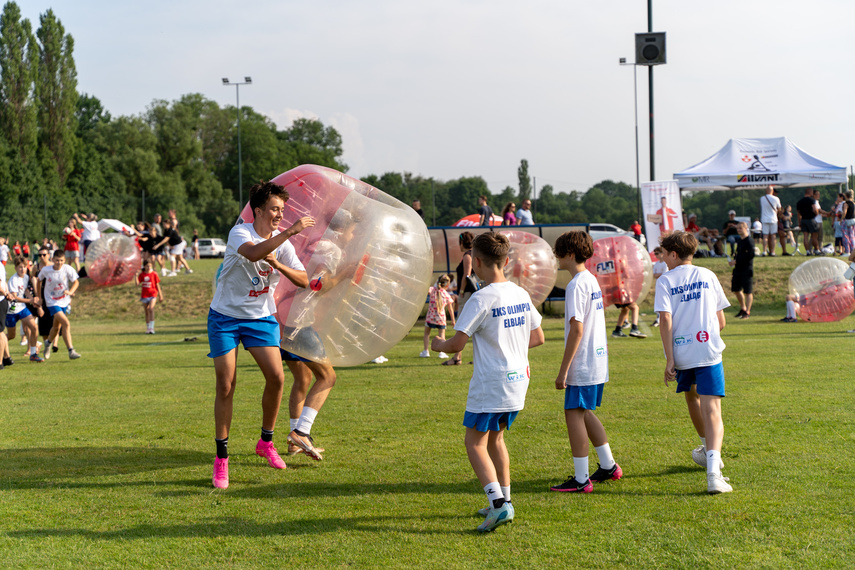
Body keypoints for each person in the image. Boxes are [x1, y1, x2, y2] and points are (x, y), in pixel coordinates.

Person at [431, 232, 545, 532]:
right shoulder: (520, 293)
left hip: (492, 382)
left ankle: (497, 506)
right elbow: (538, 337)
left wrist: (438, 344)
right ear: (506, 262)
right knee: (496, 439)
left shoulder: (480, 298)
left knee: (474, 442)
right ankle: (505, 500)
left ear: (476, 262)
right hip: (519, 380)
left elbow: (456, 345)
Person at [207, 180, 314, 489]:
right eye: (274, 209)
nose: (280, 215)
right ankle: (221, 458)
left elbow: (304, 280)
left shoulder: (283, 244)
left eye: (282, 210)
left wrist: (279, 262)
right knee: (226, 385)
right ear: (258, 211)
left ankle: (266, 442)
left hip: (260, 318)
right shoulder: (240, 232)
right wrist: (291, 231)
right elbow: (253, 254)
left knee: (277, 378)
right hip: (225, 317)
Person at [654, 231, 732, 494]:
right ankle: (713, 471)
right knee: (713, 409)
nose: (663, 259)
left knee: (692, 398)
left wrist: (670, 359)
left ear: (674, 254)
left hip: (683, 353)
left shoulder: (665, 281)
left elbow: (665, 320)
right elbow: (721, 321)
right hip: (708, 349)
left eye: (664, 254)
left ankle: (708, 450)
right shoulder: (708, 275)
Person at [549, 231, 622, 494]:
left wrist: (563, 370)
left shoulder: (576, 284)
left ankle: (581, 480)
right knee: (585, 412)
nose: (556, 257)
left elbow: (577, 330)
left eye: (558, 252)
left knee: (573, 415)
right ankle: (609, 466)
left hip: (583, 363)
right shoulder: (589, 279)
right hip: (596, 360)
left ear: (570, 254)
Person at [39, 250, 81, 360]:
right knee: (66, 323)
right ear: (52, 260)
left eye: (62, 260)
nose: (59, 263)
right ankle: (71, 351)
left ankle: (48, 344)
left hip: (64, 301)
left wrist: (70, 292)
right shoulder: (46, 270)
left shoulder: (67, 269)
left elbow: (76, 282)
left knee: (56, 327)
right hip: (51, 302)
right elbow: (38, 280)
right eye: (57, 260)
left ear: (64, 260)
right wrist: (39, 297)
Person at [446, 231, 477, 366]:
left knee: (462, 325)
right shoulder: (474, 254)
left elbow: (467, 274)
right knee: (474, 326)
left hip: (468, 294)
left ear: (461, 242)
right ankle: (472, 358)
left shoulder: (467, 256)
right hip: (473, 294)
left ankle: (457, 357)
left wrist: (462, 291)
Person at [5, 257, 43, 362]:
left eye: (24, 267)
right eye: (20, 267)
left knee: (34, 327)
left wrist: (31, 298)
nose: (22, 269)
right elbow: (15, 298)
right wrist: (30, 301)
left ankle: (33, 354)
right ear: (15, 268)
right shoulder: (13, 279)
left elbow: (25, 290)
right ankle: (1, 341)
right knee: (11, 335)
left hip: (22, 309)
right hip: (11, 310)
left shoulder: (26, 277)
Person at [421, 274, 455, 359]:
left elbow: (425, 289)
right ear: (447, 285)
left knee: (426, 333)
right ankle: (442, 352)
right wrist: (453, 320)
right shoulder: (446, 294)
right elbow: (450, 309)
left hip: (430, 317)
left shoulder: (432, 290)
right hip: (441, 318)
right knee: (441, 335)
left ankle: (426, 351)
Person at [729, 222, 754, 319]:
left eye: (741, 228)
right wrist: (734, 260)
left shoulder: (749, 240)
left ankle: (747, 311)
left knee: (748, 291)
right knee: (736, 289)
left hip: (747, 268)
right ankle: (743, 308)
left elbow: (751, 255)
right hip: (738, 269)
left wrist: (737, 260)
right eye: (738, 228)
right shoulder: (739, 241)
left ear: (746, 228)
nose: (739, 230)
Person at [138, 260, 164, 334]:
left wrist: (160, 295)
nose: (149, 267)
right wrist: (136, 276)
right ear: (144, 266)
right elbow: (137, 283)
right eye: (147, 266)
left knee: (151, 309)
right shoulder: (142, 275)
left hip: (153, 294)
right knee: (146, 312)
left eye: (150, 265)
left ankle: (152, 328)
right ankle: (148, 328)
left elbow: (157, 285)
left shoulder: (154, 274)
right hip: (144, 295)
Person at [796, 188, 820, 255]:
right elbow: (815, 209)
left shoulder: (799, 202)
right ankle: (817, 250)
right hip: (811, 219)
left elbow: (798, 213)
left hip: (803, 220)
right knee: (814, 236)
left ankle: (808, 251)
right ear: (810, 193)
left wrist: (799, 222)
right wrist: (817, 213)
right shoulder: (812, 200)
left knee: (805, 236)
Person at [759, 185, 781, 256]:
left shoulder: (762, 198)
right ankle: (773, 251)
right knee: (773, 236)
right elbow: (779, 209)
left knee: (765, 236)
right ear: (773, 191)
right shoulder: (776, 198)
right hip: (773, 218)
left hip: (764, 219)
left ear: (766, 191)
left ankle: (764, 251)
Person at [651, 247, 668, 327]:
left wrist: (659, 274)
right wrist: (659, 274)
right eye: (655, 254)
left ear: (662, 253)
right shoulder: (657, 264)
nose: (656, 255)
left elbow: (664, 274)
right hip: (658, 285)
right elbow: (654, 275)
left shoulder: (665, 263)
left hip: (665, 286)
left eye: (657, 253)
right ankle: (658, 318)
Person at [841, 190, 855, 255]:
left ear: (846, 196)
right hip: (852, 220)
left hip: (846, 221)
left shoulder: (846, 203)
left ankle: (847, 251)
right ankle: (853, 250)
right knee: (852, 236)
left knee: (845, 236)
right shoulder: (853, 203)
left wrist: (841, 219)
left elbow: (844, 212)